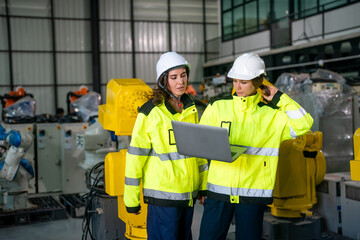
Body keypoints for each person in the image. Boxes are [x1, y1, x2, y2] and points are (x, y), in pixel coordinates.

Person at [198, 52, 314, 240]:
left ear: (258, 81)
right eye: (235, 81)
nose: (237, 86)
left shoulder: (273, 114)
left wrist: (278, 97)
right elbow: (200, 149)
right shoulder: (217, 107)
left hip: (252, 195)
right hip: (217, 193)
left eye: (243, 82)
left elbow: (304, 122)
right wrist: (202, 186)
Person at [123, 52, 208, 240]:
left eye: (183, 75)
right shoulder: (150, 113)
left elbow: (198, 153)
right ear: (163, 80)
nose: (180, 82)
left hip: (187, 196)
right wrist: (131, 199)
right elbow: (135, 157)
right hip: (163, 199)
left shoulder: (190, 109)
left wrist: (202, 187)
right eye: (174, 77)